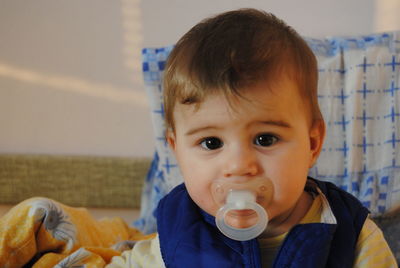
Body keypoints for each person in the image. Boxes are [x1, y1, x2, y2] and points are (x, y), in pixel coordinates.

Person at [107, 8, 396, 267]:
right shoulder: (178, 234)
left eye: (265, 139)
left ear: (312, 143)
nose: (240, 165)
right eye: (211, 143)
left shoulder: (350, 234)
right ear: (177, 150)